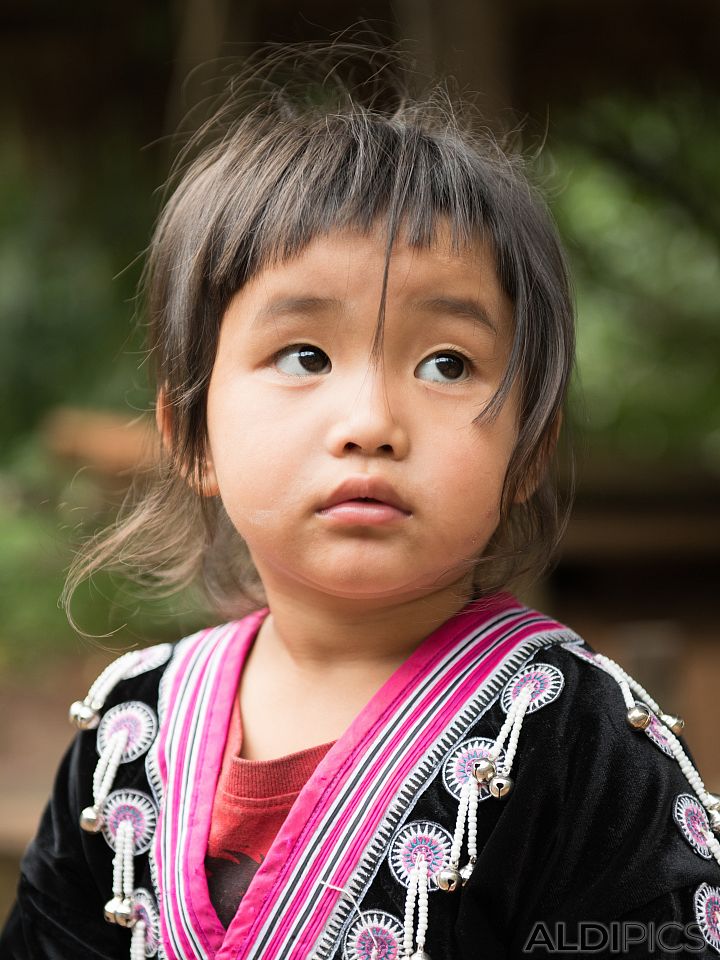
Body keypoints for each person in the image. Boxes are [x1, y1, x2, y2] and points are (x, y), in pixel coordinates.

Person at [2, 46, 720, 960]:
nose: (372, 422)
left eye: (446, 364)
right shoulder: (127, 739)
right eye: (305, 355)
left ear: (529, 450)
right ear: (190, 435)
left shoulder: (583, 748)